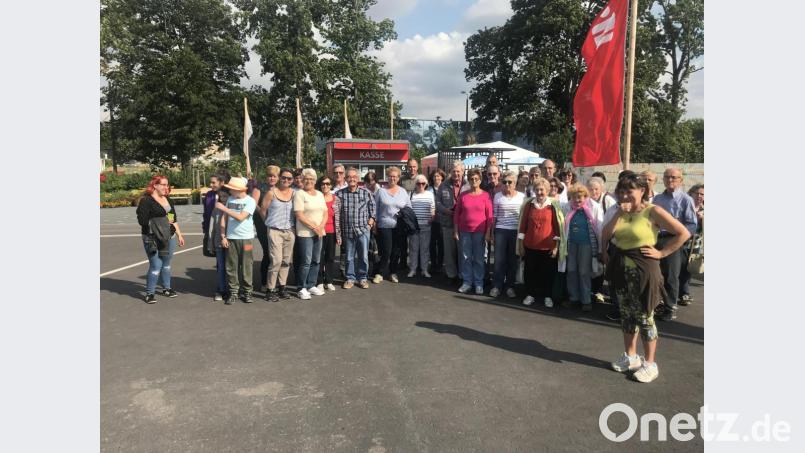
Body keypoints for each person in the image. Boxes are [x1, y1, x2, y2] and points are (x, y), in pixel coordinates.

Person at [603, 173, 690, 383]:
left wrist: (662, 253)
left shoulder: (653, 211)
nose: (625, 195)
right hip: (621, 270)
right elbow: (605, 235)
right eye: (621, 191)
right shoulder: (619, 211)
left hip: (643, 271)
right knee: (627, 315)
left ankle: (650, 364)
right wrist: (618, 214)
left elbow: (683, 233)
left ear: (642, 191)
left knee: (644, 317)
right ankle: (631, 357)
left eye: (629, 191)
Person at [651, 168, 698, 320]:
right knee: (656, 274)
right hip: (656, 239)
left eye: (674, 177)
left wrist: (680, 238)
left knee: (671, 276)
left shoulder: (686, 199)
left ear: (681, 180)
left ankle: (670, 307)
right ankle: (657, 303)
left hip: (674, 240)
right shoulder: (657, 199)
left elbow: (692, 225)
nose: (670, 180)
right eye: (667, 177)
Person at [136, 175, 186, 304]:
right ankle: (150, 293)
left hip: (169, 236)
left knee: (166, 264)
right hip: (152, 238)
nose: (166, 187)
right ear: (155, 185)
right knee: (156, 265)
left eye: (167, 185)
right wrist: (158, 222)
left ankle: (167, 289)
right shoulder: (146, 201)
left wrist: (179, 234)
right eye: (163, 184)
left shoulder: (167, 199)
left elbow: (172, 219)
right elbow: (142, 221)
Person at [517, 177, 564, 307]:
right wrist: (520, 245)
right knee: (530, 272)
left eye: (542, 190)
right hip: (530, 245)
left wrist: (556, 247)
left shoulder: (553, 206)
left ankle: (547, 296)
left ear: (547, 190)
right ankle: (530, 294)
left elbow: (557, 228)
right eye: (537, 189)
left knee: (547, 273)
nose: (539, 192)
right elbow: (523, 226)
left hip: (548, 246)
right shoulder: (529, 205)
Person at [560, 184, 603, 312]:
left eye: (580, 197)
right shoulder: (567, 207)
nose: (577, 200)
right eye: (574, 197)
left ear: (585, 197)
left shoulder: (593, 207)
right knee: (571, 270)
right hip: (571, 244)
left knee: (584, 272)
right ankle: (574, 298)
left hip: (587, 245)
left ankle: (586, 300)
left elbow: (600, 229)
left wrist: (601, 249)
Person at [216, 176, 256, 305]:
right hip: (231, 238)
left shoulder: (250, 201)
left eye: (232, 189)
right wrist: (223, 236)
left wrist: (224, 208)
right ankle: (234, 292)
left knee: (247, 266)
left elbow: (241, 217)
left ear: (239, 189)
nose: (230, 191)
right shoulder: (230, 199)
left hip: (246, 239)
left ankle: (247, 291)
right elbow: (224, 218)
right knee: (231, 266)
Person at [454, 168, 494, 295]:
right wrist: (455, 230)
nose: (474, 181)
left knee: (479, 258)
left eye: (476, 178)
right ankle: (467, 282)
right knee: (466, 257)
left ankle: (478, 283)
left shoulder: (486, 195)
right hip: (464, 231)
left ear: (480, 180)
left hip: (480, 232)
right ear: (469, 180)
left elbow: (489, 216)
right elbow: (456, 214)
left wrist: (488, 232)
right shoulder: (463, 196)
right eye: (471, 179)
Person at [259, 168, 296, 302]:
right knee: (276, 261)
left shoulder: (294, 193)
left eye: (289, 178)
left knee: (286, 261)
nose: (286, 180)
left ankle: (282, 288)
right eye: (284, 177)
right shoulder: (271, 193)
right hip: (275, 231)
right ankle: (270, 290)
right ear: (279, 177)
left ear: (292, 180)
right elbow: (263, 210)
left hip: (289, 231)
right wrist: (269, 224)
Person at [336, 167, 376, 289]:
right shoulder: (339, 194)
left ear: (358, 178)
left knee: (363, 256)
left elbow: (373, 210)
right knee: (349, 257)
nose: (351, 179)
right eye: (349, 177)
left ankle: (363, 278)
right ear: (345, 179)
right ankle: (350, 278)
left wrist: (370, 224)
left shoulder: (366, 193)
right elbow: (337, 213)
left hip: (363, 231)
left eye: (354, 177)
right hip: (347, 231)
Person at [373, 166, 412, 284]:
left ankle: (392, 272)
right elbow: (375, 208)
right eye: (390, 176)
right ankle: (380, 272)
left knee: (396, 251)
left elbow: (408, 207)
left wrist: (404, 215)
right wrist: (374, 223)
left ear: (398, 178)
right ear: (387, 177)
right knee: (386, 250)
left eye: (395, 176)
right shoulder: (381, 191)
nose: (392, 178)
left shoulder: (403, 191)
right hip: (384, 224)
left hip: (399, 226)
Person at [490, 171, 525, 298]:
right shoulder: (497, 196)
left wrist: (522, 235)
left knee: (512, 260)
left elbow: (523, 217)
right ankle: (496, 286)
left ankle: (510, 286)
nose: (507, 184)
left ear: (515, 183)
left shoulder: (522, 197)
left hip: (515, 231)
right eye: (504, 182)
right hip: (501, 230)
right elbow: (494, 216)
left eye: (510, 182)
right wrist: (492, 233)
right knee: (499, 260)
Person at [294, 169, 327, 300]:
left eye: (312, 179)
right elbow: (299, 214)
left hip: (319, 232)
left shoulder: (320, 194)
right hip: (305, 233)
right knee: (306, 261)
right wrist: (314, 227)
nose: (309, 181)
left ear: (315, 180)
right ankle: (301, 287)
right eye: (306, 178)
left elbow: (325, 212)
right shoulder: (299, 194)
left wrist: (321, 227)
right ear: (302, 180)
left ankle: (311, 285)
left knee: (316, 260)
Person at [435, 160, 468, 283]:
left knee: (462, 252)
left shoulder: (468, 185)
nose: (456, 174)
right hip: (448, 223)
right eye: (453, 171)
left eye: (458, 171)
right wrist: (447, 211)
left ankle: (462, 275)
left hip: (464, 225)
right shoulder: (443, 185)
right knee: (449, 252)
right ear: (450, 172)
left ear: (463, 172)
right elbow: (437, 202)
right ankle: (451, 275)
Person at [253, 165, 279, 292]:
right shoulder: (259, 188)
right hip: (262, 224)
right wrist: (263, 213)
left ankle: (274, 281)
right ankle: (264, 282)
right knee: (268, 252)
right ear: (266, 177)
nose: (272, 178)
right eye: (270, 176)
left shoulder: (280, 188)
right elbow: (253, 204)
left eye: (274, 176)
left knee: (277, 254)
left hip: (277, 224)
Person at [678, 183, 704, 306]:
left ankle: (684, 293)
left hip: (695, 245)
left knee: (688, 270)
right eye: (697, 193)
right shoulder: (684, 207)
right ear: (691, 194)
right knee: (676, 269)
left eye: (702, 194)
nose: (699, 196)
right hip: (680, 242)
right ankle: (673, 293)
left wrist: (702, 220)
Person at [207, 177, 231, 302]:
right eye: (221, 197)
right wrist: (210, 243)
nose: (223, 199)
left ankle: (233, 289)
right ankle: (222, 289)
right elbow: (212, 227)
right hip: (218, 242)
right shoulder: (216, 208)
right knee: (221, 267)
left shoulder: (233, 207)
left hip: (232, 242)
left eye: (225, 196)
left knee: (231, 267)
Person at [408, 174, 436, 278]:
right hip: (414, 227)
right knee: (413, 249)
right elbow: (408, 209)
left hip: (426, 225)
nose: (420, 185)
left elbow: (432, 207)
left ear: (426, 184)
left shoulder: (430, 194)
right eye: (418, 183)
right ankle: (413, 269)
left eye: (423, 183)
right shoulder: (411, 194)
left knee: (425, 249)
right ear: (415, 184)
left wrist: (432, 217)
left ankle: (424, 269)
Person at [316, 175, 340, 292]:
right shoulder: (316, 197)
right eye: (323, 184)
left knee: (330, 257)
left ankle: (329, 280)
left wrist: (339, 235)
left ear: (331, 185)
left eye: (327, 184)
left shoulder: (336, 199)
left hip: (331, 231)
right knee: (319, 257)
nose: (325, 186)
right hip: (318, 231)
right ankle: (319, 281)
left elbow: (338, 218)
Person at [202, 171, 229, 257]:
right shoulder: (209, 195)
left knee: (225, 256)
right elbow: (206, 213)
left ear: (222, 182)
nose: (211, 185)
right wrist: (205, 227)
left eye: (213, 182)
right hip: (212, 228)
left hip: (224, 230)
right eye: (210, 182)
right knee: (218, 255)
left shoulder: (228, 195)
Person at [428, 169, 446, 274]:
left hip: (442, 220)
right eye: (434, 176)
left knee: (441, 243)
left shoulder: (445, 188)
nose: (436, 178)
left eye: (438, 176)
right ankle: (433, 264)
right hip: (432, 220)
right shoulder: (429, 189)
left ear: (442, 177)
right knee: (431, 243)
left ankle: (440, 264)